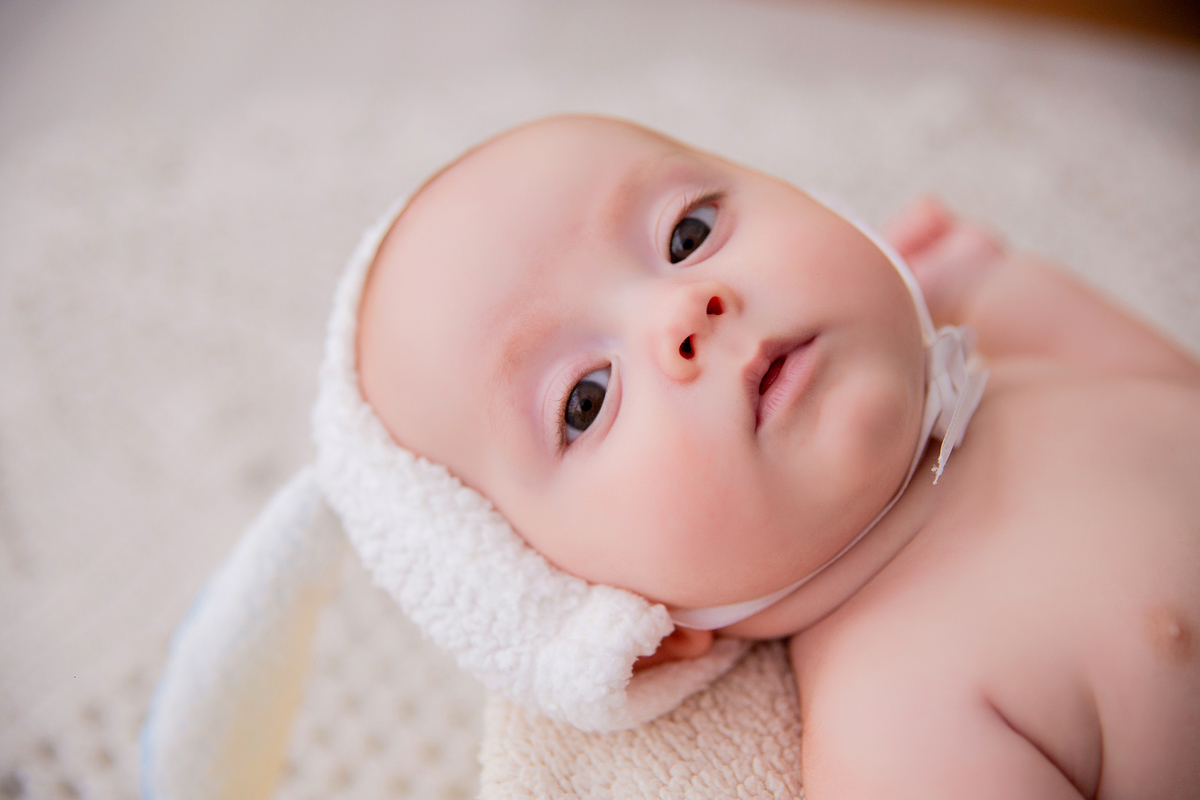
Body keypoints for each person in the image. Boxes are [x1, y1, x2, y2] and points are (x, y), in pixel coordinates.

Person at [355, 114, 1200, 797]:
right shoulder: (903, 726)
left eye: (688, 232)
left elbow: (1173, 391)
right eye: (587, 399)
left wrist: (988, 282)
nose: (685, 308)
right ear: (633, 628)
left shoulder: (1021, 367)